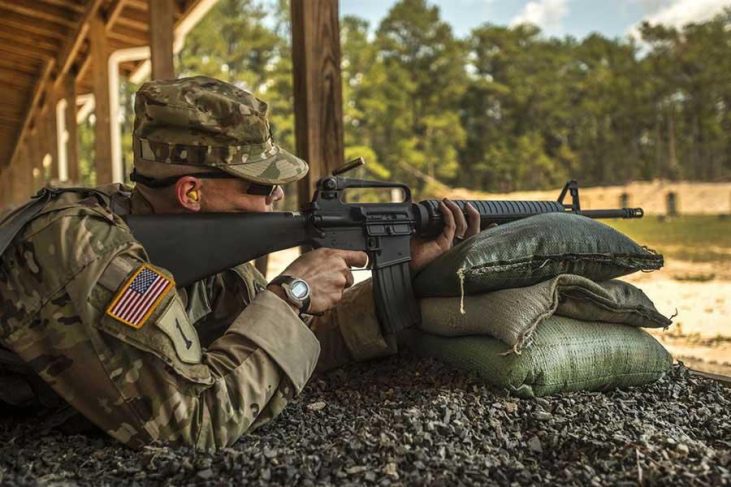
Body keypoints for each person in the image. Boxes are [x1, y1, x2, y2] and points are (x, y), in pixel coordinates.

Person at [0, 76, 480, 450]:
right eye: (260, 187)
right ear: (191, 191)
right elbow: (192, 426)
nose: (277, 196)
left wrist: (400, 275)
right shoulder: (84, 248)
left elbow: (271, 353)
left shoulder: (200, 242)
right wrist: (289, 292)